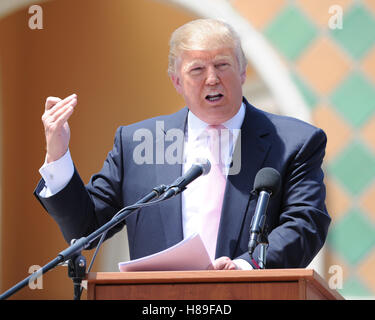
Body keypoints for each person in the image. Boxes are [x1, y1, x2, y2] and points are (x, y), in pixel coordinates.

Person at [34, 19, 331, 270]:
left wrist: (244, 267)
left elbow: (306, 224)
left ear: (242, 72)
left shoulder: (294, 142)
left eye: (222, 65)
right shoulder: (136, 144)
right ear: (177, 81)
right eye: (197, 70)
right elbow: (85, 227)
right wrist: (57, 153)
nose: (212, 79)